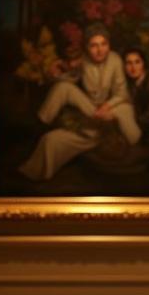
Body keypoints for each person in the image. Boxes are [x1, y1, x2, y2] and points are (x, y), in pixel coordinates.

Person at [19, 24, 141, 181]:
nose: (100, 50)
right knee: (61, 93)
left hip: (113, 112)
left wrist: (107, 107)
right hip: (92, 113)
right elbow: (68, 80)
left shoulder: (115, 60)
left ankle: (109, 135)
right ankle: (40, 123)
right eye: (94, 45)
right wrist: (54, 73)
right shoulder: (83, 61)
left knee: (122, 112)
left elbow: (122, 94)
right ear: (87, 47)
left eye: (104, 44)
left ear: (109, 45)